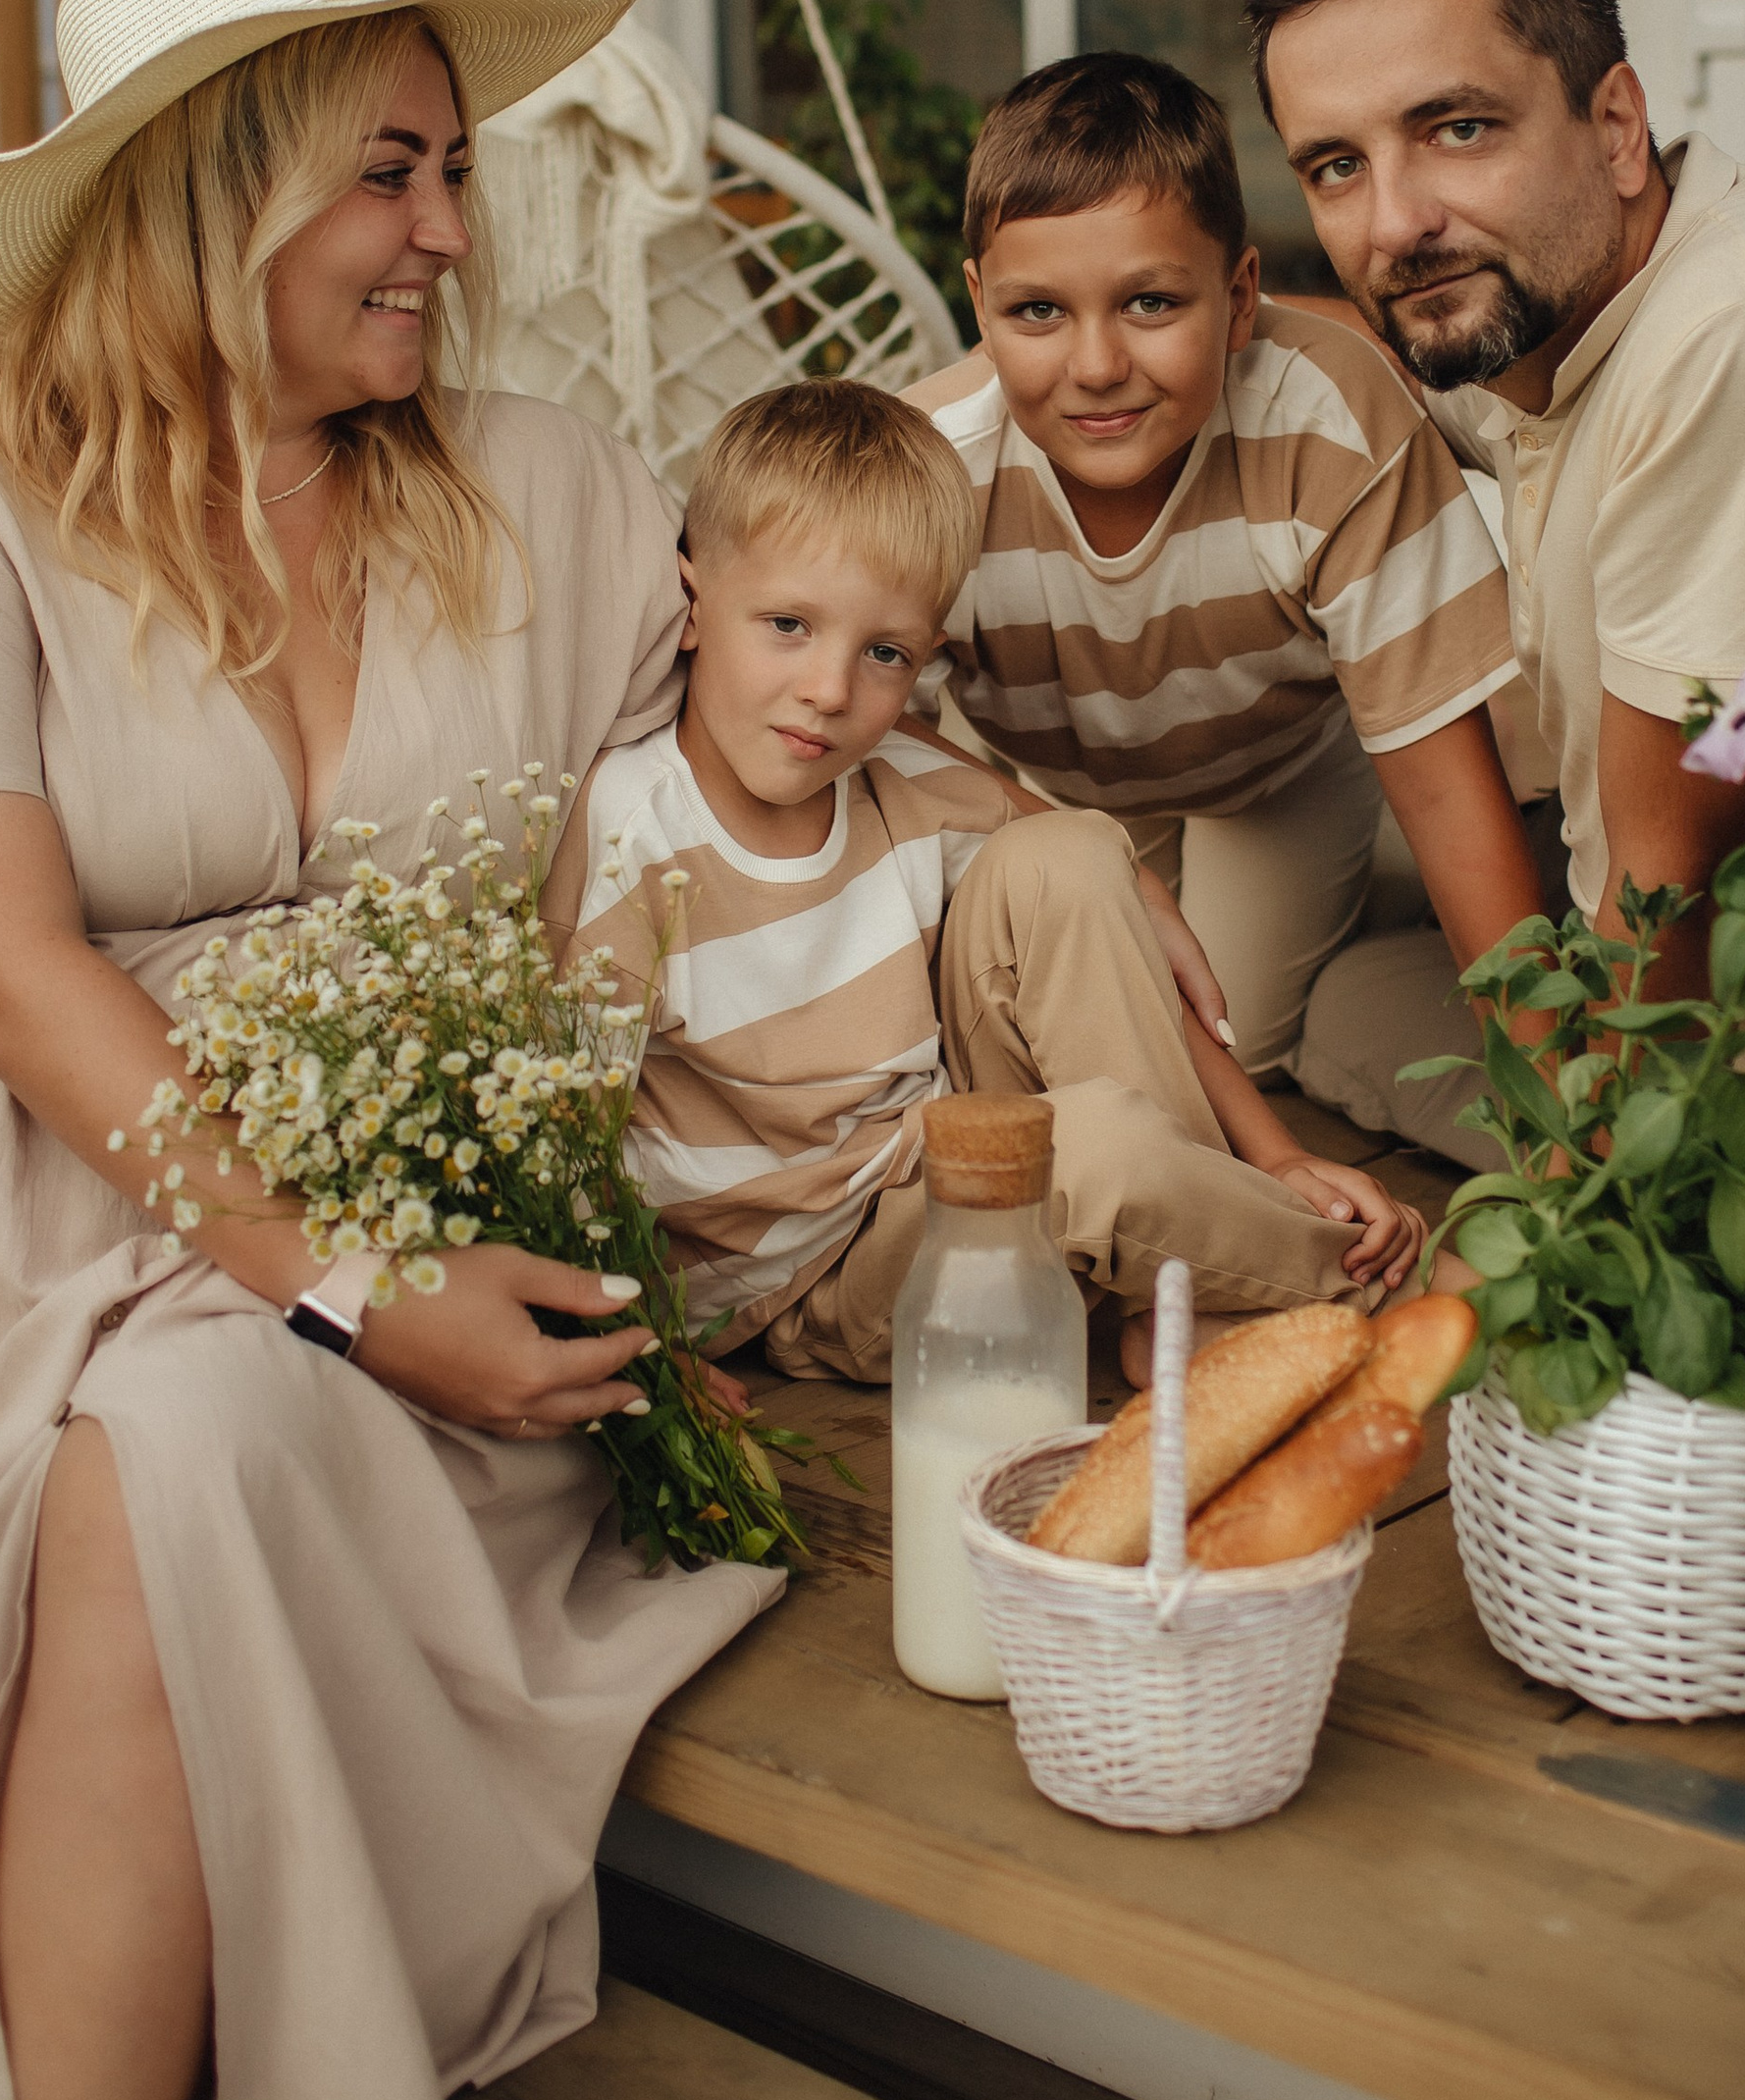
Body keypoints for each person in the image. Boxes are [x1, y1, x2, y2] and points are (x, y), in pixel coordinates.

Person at [0, 0, 781, 2100]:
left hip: (424, 1234)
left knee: (192, 1455)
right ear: (213, 189)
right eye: (396, 176)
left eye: (452, 176)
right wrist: (345, 1281)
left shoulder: (547, 491)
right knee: (135, 1472)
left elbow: (726, 826)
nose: (456, 235)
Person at [569, 379, 1427, 1388]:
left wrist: (1275, 1154)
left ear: (925, 658)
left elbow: (1093, 910)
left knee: (1067, 852)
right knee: (1089, 1151)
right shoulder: (632, 833)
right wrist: (641, 1357)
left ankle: (1180, 1288)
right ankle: (1372, 1291)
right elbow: (567, 1136)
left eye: (882, 652)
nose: (830, 690)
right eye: (788, 626)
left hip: (941, 1155)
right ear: (691, 604)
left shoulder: (901, 781)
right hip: (813, 1283)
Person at [1241, 0, 1745, 1161]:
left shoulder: (1732, 329)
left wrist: (1577, 1198)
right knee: (1347, 985)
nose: (1397, 226)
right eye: (1336, 165)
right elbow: (1351, 353)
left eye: (1459, 130)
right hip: (1627, 879)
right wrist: (1105, 335)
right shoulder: (1542, 311)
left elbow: (1680, 868)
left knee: (1353, 1020)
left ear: (1614, 127)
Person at [902, 53, 1543, 1096]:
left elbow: (1439, 779)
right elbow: (862, 725)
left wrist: (1557, 1102)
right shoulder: (928, 468)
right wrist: (1048, 837)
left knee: (1225, 1055)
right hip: (1057, 787)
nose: (1098, 364)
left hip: (1274, 767)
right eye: (1036, 313)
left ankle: (1359, 900)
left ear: (1240, 296)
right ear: (979, 304)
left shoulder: (1327, 424)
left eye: (1151, 303)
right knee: (1082, 1053)